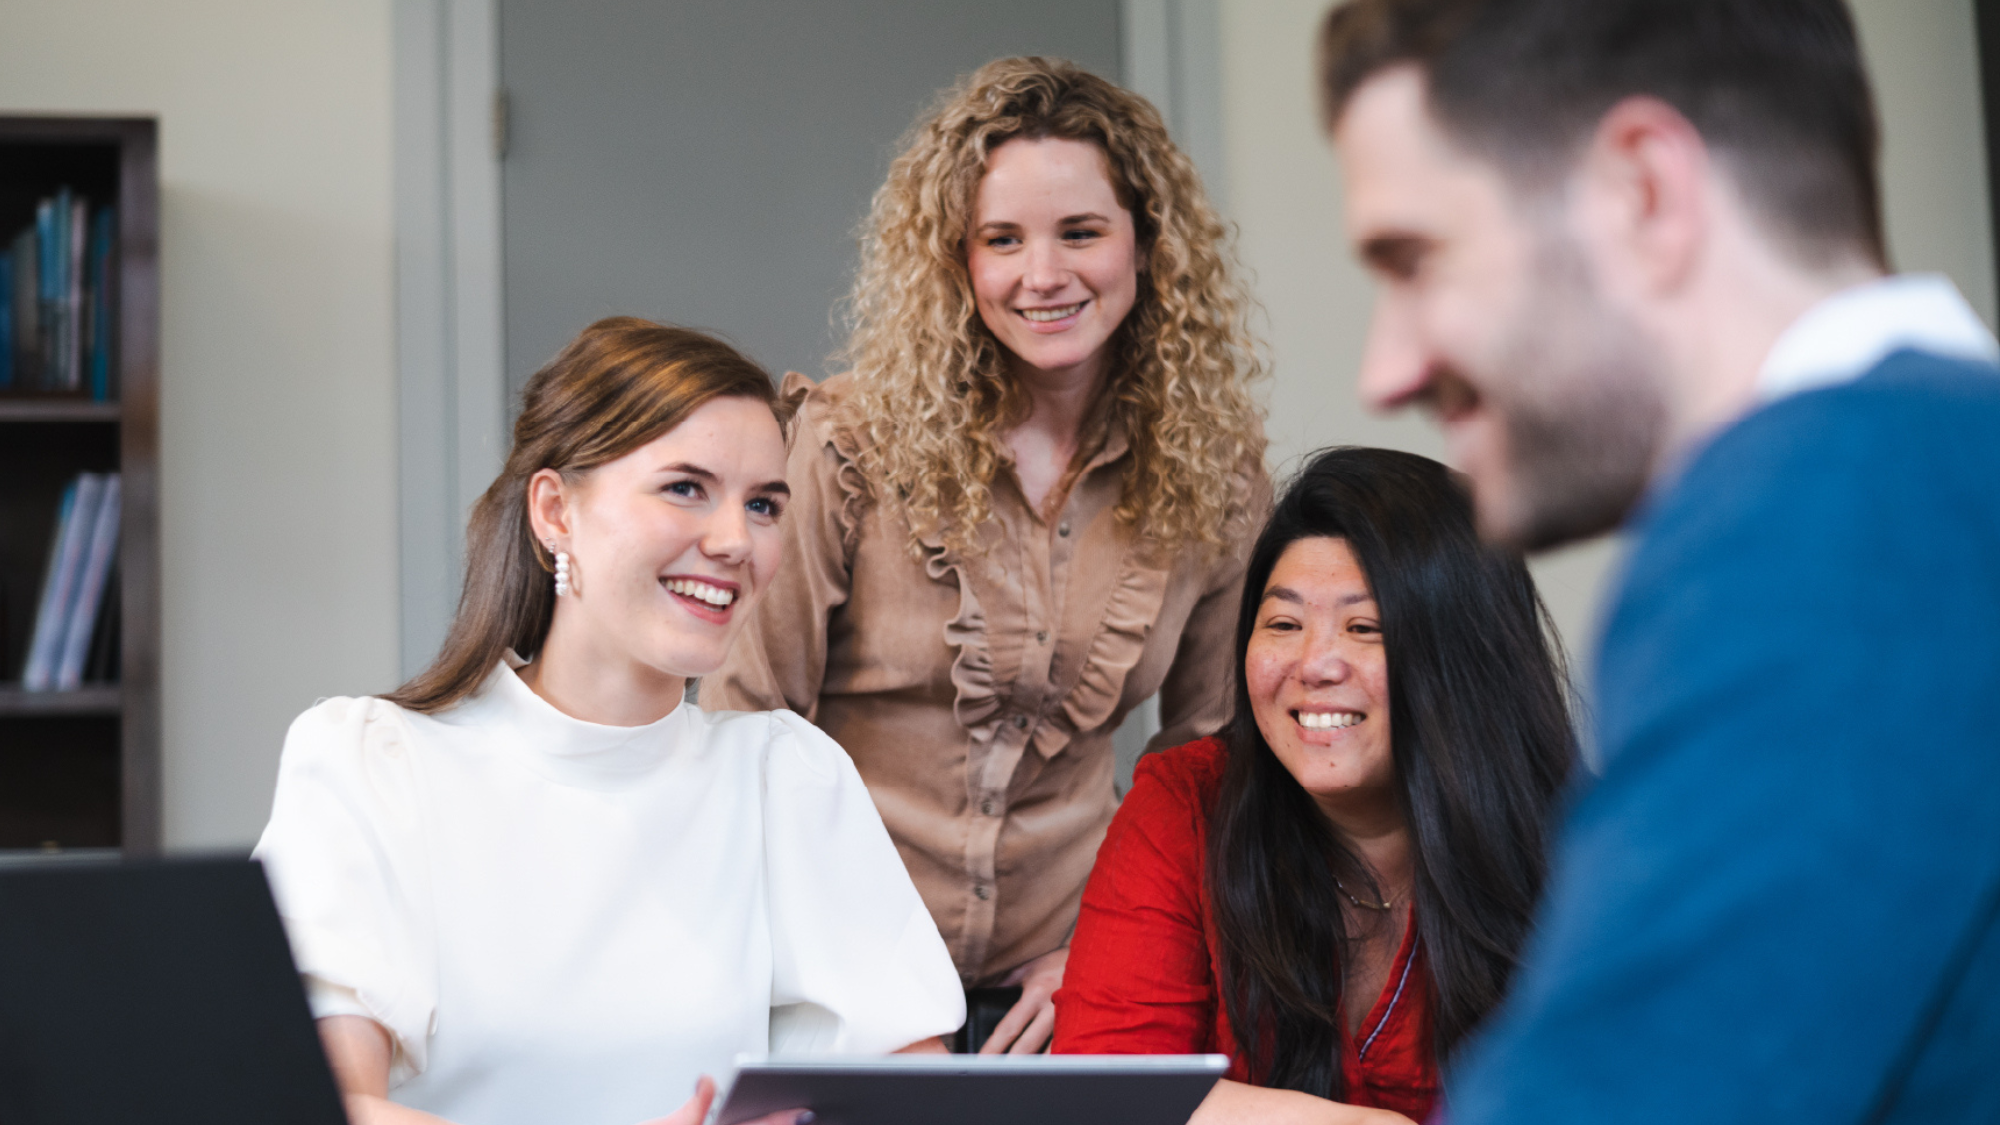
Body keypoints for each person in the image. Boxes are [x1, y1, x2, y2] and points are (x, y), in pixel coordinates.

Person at [1316, 1, 2000, 1122]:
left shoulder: (1822, 516)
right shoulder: (1944, 469)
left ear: (1643, 194)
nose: (1384, 369)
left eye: (1414, 259)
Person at [253, 318, 964, 1125]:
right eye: (685, 487)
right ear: (555, 510)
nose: (736, 541)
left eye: (764, 504)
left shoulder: (785, 777)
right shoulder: (372, 764)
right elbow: (321, 1105)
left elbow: (913, 1098)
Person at [705, 57, 1269, 1054]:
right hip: (839, 976)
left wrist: (1106, 945)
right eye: (999, 240)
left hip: (1067, 978)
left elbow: (1209, 757)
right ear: (954, 262)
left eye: (1080, 233)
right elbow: (748, 724)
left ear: (1150, 244)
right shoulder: (848, 445)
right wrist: (856, 976)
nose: (1041, 276)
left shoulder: (1213, 476)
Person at [1051, 447, 1576, 1124]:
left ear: (1466, 654)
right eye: (1283, 624)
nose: (1313, 663)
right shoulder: (1186, 803)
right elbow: (1106, 1095)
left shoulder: (1579, 844)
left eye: (1365, 628)